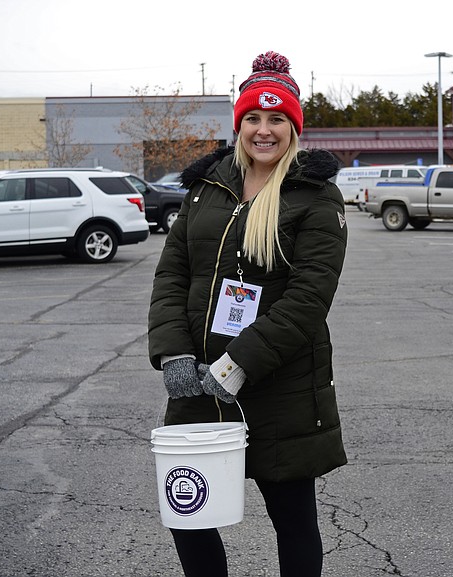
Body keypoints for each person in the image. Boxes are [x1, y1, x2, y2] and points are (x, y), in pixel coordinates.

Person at [148, 51, 348, 577]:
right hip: (196, 383)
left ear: (293, 127)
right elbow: (171, 275)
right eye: (253, 119)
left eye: (277, 118)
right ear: (239, 124)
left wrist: (238, 364)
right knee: (188, 515)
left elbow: (308, 299)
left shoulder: (316, 197)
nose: (264, 130)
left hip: (279, 386)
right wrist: (174, 353)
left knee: (293, 522)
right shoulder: (206, 188)